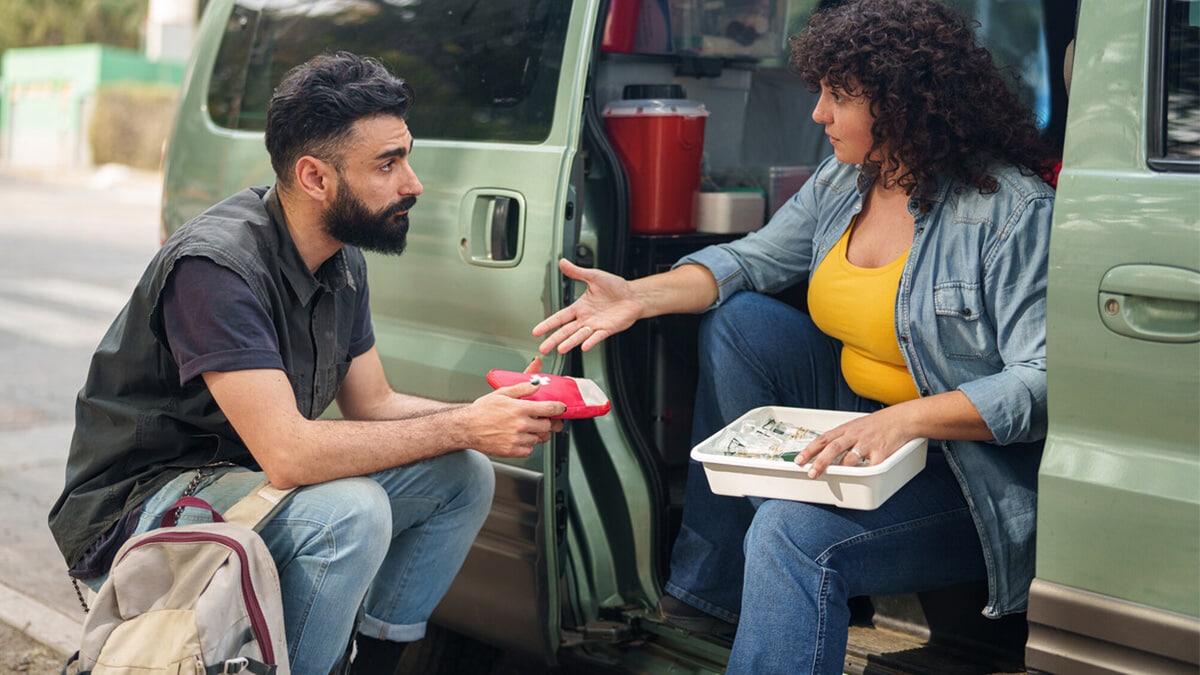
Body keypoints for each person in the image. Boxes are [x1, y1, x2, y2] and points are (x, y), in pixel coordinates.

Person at [533, 0, 1054, 671]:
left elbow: (1039, 384)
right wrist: (639, 294)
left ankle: (791, 555)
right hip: (860, 421)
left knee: (792, 532)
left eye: (839, 97)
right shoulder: (847, 178)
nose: (818, 115)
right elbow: (752, 260)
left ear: (902, 104)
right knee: (743, 322)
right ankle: (719, 591)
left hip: (961, 469)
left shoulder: (1009, 213)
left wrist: (910, 419)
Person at [49, 51, 566, 675]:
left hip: (243, 478)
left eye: (406, 155)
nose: (414, 183)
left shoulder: (343, 259)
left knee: (460, 475)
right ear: (316, 177)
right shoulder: (217, 268)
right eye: (388, 164)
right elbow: (289, 456)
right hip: (139, 506)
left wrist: (486, 416)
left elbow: (373, 404)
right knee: (350, 512)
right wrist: (462, 425)